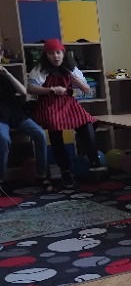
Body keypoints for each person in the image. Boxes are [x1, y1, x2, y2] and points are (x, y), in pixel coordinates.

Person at [26, 39, 103, 191]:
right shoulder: (40, 69)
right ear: (46, 55)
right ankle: (65, 170)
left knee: (86, 121)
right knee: (55, 127)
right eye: (51, 53)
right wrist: (52, 90)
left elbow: (87, 90)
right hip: (48, 104)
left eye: (58, 52)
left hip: (68, 102)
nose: (55, 56)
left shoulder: (71, 67)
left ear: (63, 53)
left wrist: (76, 81)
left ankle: (93, 160)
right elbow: (31, 89)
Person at [0, 63, 52, 192]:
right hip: (1, 119)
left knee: (40, 134)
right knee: (3, 139)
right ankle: (1, 180)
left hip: (16, 115)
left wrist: (7, 74)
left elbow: (23, 91)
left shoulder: (6, 74)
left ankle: (41, 175)